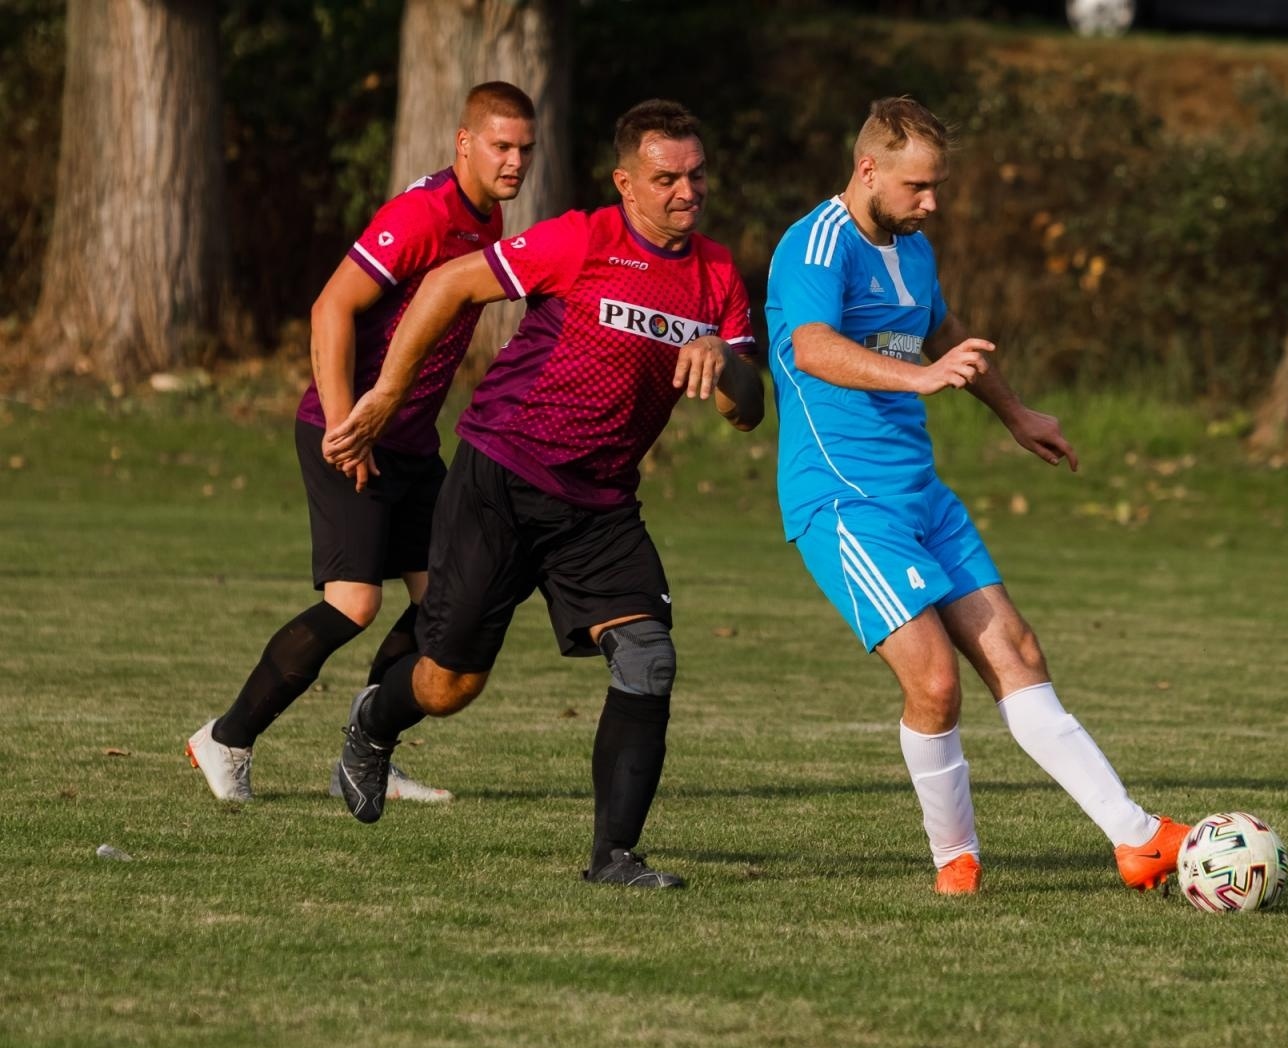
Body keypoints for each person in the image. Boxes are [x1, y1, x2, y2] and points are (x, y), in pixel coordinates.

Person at [321, 99, 764, 889]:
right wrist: (388, 393)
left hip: (599, 505)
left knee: (649, 659)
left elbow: (746, 411)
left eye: (696, 175)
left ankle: (613, 858)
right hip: (502, 476)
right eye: (667, 178)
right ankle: (373, 720)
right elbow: (449, 286)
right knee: (450, 683)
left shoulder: (717, 275)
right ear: (626, 183)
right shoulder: (580, 237)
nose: (686, 191)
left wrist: (722, 361)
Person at [764, 96, 1187, 896]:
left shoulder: (913, 248)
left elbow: (944, 334)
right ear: (868, 170)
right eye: (918, 187)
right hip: (844, 500)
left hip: (920, 493)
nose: (932, 203)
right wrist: (920, 378)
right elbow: (813, 348)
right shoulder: (815, 246)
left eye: (938, 186)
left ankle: (1136, 839)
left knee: (1018, 653)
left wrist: (1015, 411)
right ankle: (954, 860)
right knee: (934, 680)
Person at [186, 82, 539, 803]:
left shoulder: (489, 214)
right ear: (464, 142)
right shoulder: (423, 213)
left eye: (525, 149)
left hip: (410, 442)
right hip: (346, 430)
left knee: (444, 600)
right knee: (354, 604)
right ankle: (227, 737)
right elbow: (331, 307)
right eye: (501, 146)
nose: (515, 161)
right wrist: (348, 428)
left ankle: (368, 749)